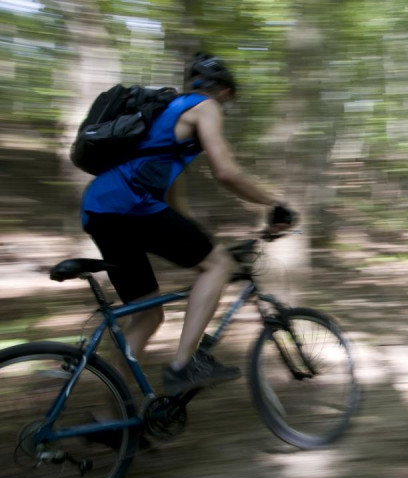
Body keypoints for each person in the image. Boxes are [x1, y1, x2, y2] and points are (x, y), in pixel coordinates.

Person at [81, 53, 292, 395]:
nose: (227, 105)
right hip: (129, 206)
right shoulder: (204, 107)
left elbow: (176, 208)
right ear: (223, 91)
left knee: (148, 316)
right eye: (229, 99)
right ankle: (184, 366)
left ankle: (112, 420)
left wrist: (208, 245)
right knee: (217, 265)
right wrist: (275, 203)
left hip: (102, 209)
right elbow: (226, 172)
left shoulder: (168, 123)